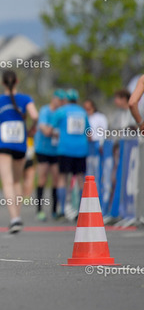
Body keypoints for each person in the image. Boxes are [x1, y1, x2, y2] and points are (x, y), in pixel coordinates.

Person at [0, 70, 38, 233]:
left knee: (7, 182)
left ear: (2, 83)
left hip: (3, 144)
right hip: (20, 144)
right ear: (17, 81)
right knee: (16, 181)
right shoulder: (25, 99)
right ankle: (17, 215)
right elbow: (35, 116)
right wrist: (31, 129)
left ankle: (14, 219)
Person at [45, 88, 90, 221]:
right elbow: (89, 132)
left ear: (66, 100)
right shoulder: (83, 112)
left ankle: (63, 210)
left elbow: (49, 130)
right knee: (81, 179)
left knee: (62, 179)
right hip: (81, 149)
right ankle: (81, 210)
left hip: (65, 149)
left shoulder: (61, 111)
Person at [34, 89, 66, 221]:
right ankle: (39, 210)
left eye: (63, 101)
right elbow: (45, 130)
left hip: (56, 150)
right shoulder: (45, 111)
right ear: (54, 99)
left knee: (56, 179)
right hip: (43, 149)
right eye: (60, 100)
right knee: (42, 178)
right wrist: (57, 133)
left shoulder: (62, 113)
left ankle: (54, 210)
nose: (61, 103)